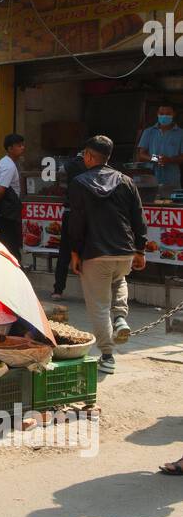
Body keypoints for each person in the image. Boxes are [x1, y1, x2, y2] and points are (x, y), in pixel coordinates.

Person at [67, 136, 147, 375]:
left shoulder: (79, 183)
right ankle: (121, 317)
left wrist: (74, 252)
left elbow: (76, 222)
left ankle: (108, 355)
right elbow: (138, 218)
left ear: (90, 156)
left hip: (94, 252)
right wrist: (140, 249)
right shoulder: (126, 181)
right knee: (120, 279)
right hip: (124, 251)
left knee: (99, 306)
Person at [51, 150, 87, 299]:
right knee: (88, 252)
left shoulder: (70, 164)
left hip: (70, 212)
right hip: (86, 214)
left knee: (64, 253)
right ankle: (90, 291)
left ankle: (58, 290)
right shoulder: (92, 165)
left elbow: (60, 173)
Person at [0, 133, 25, 262]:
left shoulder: (6, 162)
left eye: (22, 145)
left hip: (4, 212)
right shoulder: (8, 166)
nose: (22, 147)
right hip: (5, 213)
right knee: (9, 246)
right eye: (19, 145)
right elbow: (0, 190)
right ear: (10, 148)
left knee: (7, 245)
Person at [137, 103, 183, 191]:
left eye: (168, 114)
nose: (164, 116)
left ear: (174, 114)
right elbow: (141, 155)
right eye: (162, 114)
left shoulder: (181, 134)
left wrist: (169, 160)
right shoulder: (148, 132)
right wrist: (156, 159)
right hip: (151, 181)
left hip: (172, 181)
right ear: (157, 114)